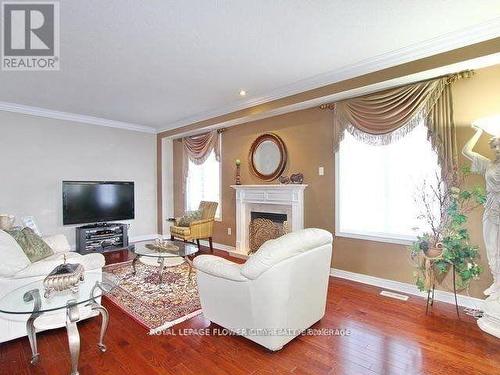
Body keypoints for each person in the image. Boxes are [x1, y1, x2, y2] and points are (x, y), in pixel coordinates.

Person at [462, 126, 500, 296]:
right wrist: (479, 132)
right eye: (494, 146)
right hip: (491, 206)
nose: (497, 149)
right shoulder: (489, 164)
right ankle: (497, 282)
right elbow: (466, 151)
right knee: (491, 247)